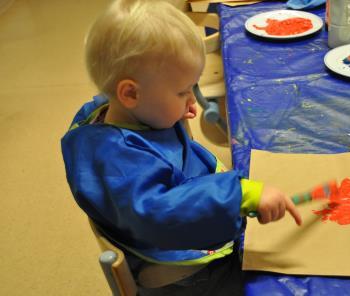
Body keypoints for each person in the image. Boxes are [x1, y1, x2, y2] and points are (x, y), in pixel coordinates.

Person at [61, 0, 302, 294]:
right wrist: (237, 196)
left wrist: (172, 107)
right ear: (130, 93)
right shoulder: (118, 163)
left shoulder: (121, 111)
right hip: (184, 275)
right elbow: (163, 212)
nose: (192, 102)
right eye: (182, 91)